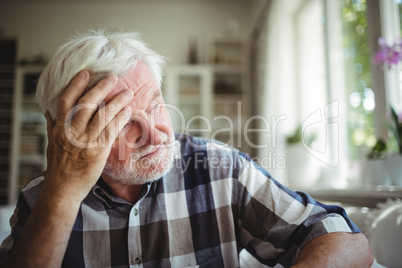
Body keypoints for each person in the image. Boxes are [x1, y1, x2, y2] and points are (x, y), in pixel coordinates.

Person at [0, 29, 373, 268]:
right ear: (69, 135)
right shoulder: (41, 201)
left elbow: (342, 238)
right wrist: (62, 197)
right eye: (123, 122)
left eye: (155, 105)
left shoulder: (219, 169)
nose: (155, 132)